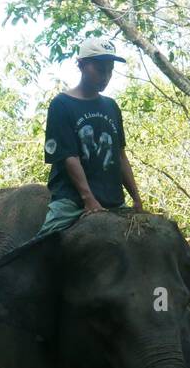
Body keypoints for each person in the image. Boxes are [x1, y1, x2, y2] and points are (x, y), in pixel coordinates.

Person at [35, 36, 143, 242]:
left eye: (110, 70)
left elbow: (120, 155)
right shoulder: (61, 104)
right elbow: (69, 156)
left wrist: (136, 198)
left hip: (113, 200)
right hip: (72, 201)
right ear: (81, 65)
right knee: (45, 246)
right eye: (100, 70)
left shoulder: (111, 106)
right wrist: (89, 199)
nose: (105, 76)